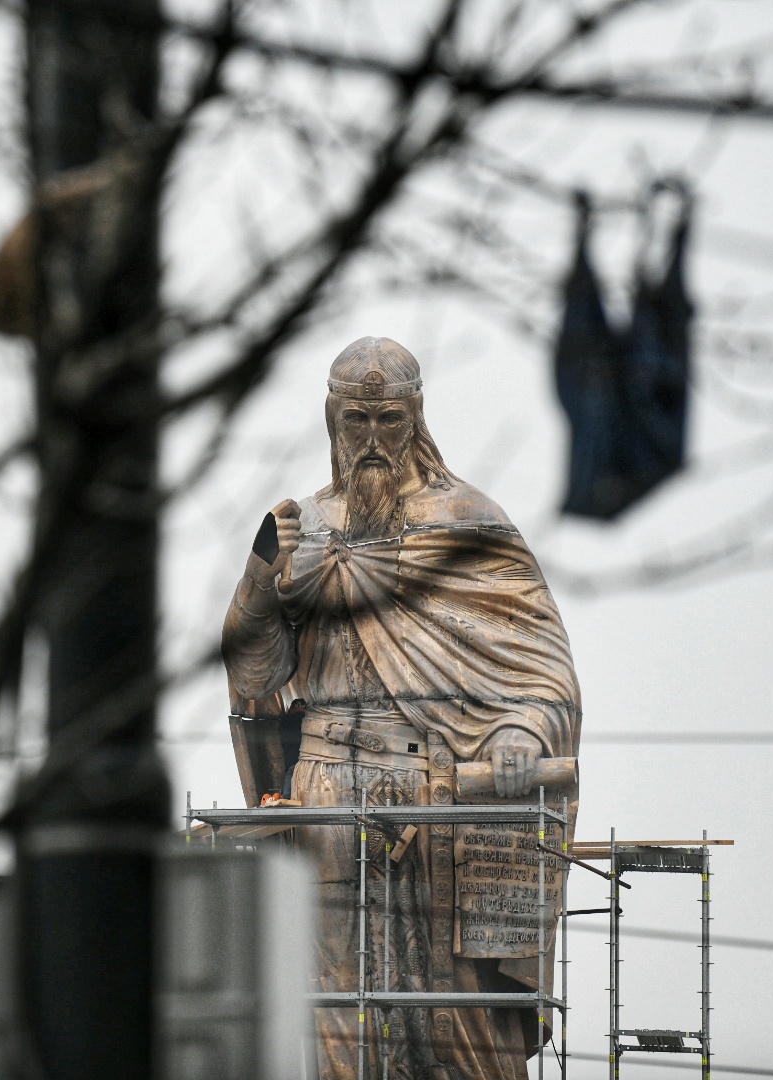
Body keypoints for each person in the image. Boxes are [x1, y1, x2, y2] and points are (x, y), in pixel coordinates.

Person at [221, 337, 581, 1080]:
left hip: (435, 797)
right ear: (333, 420)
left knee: (455, 1015)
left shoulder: (467, 523)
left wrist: (520, 728)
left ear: (415, 417)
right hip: (324, 796)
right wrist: (260, 576)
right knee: (339, 1005)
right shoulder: (301, 530)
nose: (373, 439)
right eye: (357, 420)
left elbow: (542, 666)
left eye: (389, 419)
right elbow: (257, 675)